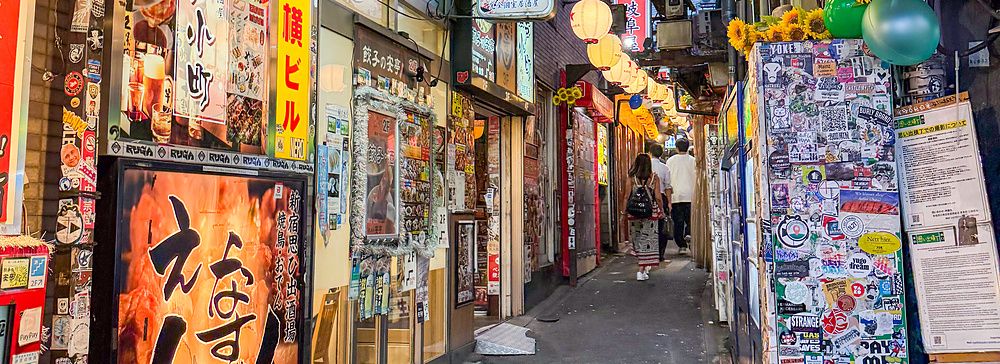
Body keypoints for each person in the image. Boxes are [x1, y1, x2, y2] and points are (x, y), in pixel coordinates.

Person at [622, 153, 663, 281]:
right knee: (648, 240)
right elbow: (658, 197)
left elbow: (626, 197)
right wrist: (662, 210)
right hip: (650, 213)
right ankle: (642, 269)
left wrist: (623, 212)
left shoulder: (631, 178)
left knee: (638, 239)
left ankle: (643, 268)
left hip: (634, 213)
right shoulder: (654, 178)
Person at [666, 138, 696, 254]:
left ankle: (682, 246)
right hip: (691, 195)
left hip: (675, 196)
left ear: (676, 148)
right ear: (688, 147)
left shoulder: (670, 161)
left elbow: (668, 179)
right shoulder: (693, 160)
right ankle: (688, 234)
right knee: (690, 220)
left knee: (678, 222)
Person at [648, 144, 672, 262]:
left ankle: (648, 252)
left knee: (648, 226)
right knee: (661, 227)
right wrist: (669, 203)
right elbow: (668, 187)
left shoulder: (646, 166)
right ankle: (660, 253)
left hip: (647, 198)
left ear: (650, 152)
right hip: (661, 197)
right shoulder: (665, 168)